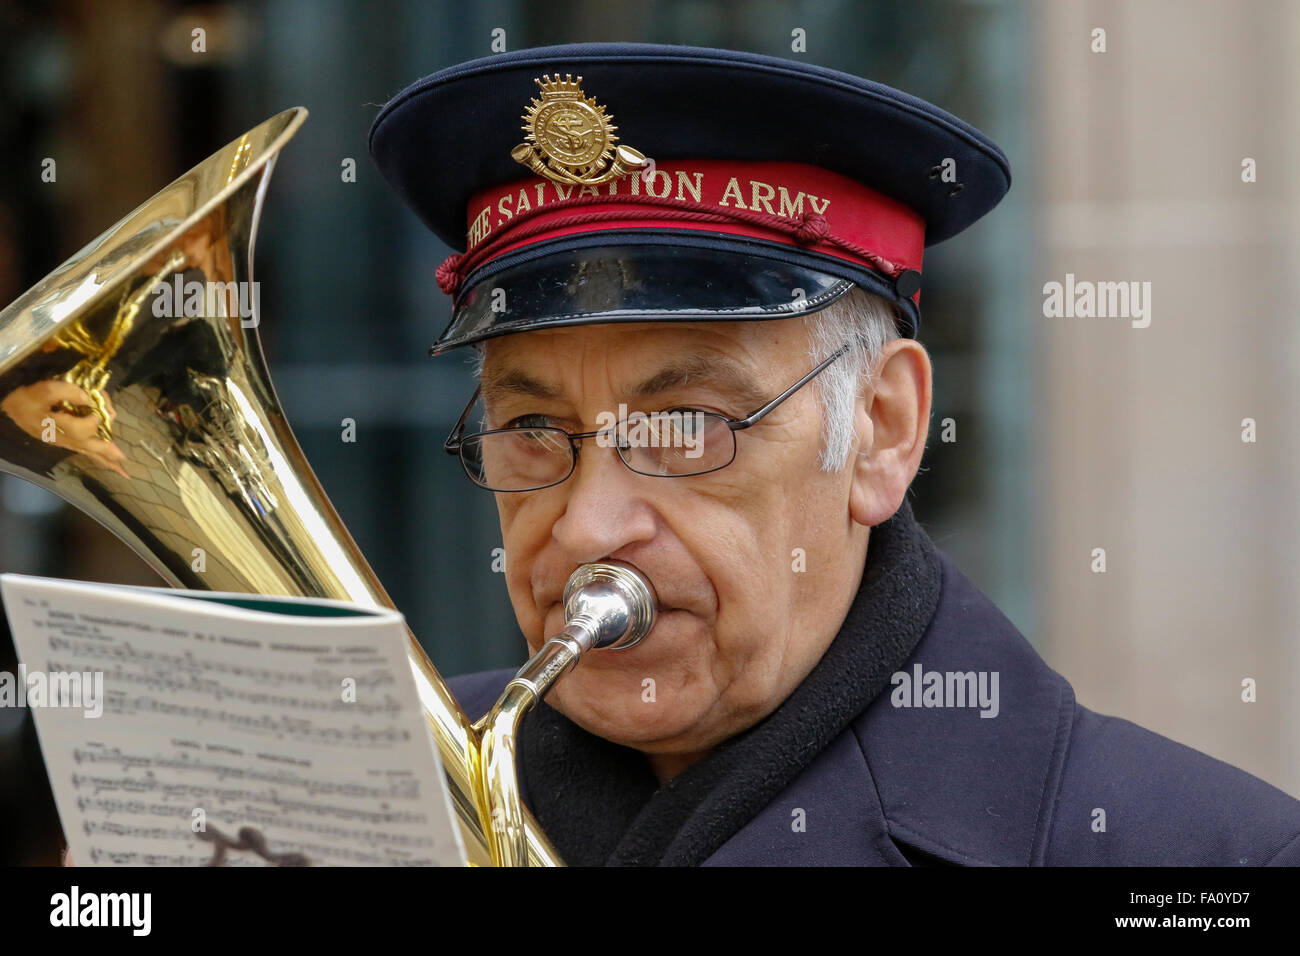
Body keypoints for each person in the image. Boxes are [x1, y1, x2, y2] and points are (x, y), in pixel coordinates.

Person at [369, 42, 1300, 866]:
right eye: (531, 430)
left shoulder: (1209, 855)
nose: (587, 528)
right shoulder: (374, 781)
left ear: (884, 431)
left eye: (688, 426)